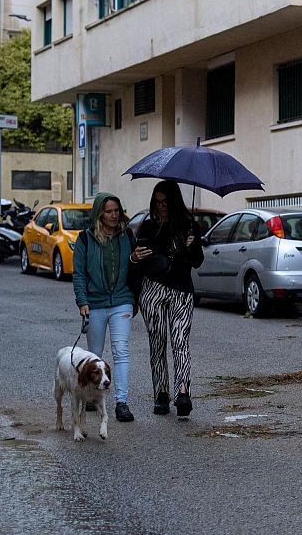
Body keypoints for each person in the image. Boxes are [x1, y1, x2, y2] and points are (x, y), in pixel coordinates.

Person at [132, 180, 205, 419]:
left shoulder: (190, 226)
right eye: (157, 202)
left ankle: (183, 392)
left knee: (180, 341)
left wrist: (192, 245)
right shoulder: (148, 228)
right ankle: (161, 393)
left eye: (165, 202)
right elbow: (141, 261)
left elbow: (197, 261)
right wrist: (137, 257)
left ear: (174, 201)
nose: (161, 206)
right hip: (152, 289)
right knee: (157, 342)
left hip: (182, 290)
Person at [71, 192, 137, 422]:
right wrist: (83, 302)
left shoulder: (127, 235)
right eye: (108, 211)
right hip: (95, 303)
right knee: (94, 355)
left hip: (122, 300)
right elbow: (78, 273)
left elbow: (135, 267)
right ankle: (93, 396)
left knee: (121, 351)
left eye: (116, 210)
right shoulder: (86, 239)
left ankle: (121, 402)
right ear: (99, 214)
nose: (114, 215)